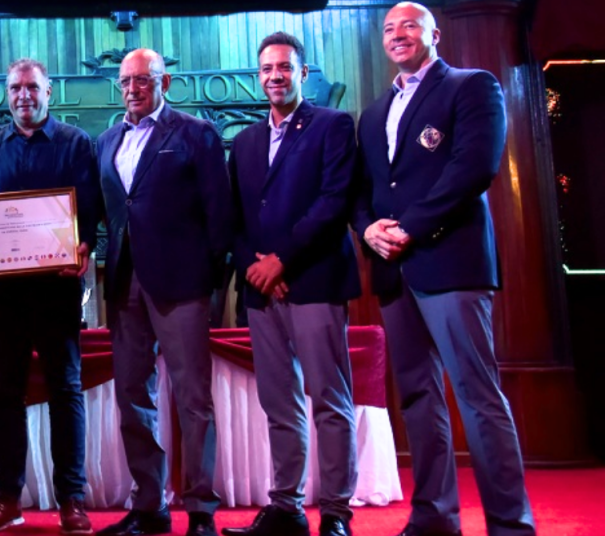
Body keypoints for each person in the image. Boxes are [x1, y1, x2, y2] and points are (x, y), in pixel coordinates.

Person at [353, 3, 536, 536]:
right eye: (389, 29)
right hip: (394, 272)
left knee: (478, 395)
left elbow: (473, 168)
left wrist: (408, 227)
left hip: (450, 262)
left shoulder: (471, 86)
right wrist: (367, 230)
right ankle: (434, 517)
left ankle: (510, 524)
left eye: (409, 25)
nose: (398, 34)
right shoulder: (373, 112)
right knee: (417, 396)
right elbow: (363, 191)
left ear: (434, 33)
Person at [221, 32, 359, 536]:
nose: (274, 76)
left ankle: (338, 514)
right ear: (258, 78)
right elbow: (232, 217)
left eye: (284, 67)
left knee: (329, 401)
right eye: (266, 69)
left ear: (303, 74)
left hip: (315, 281)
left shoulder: (333, 125)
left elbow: (333, 203)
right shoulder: (247, 140)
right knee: (278, 403)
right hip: (262, 292)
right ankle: (286, 507)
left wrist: (281, 261)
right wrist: (256, 265)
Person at [96, 48, 232, 536]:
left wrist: (214, 285)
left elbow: (220, 216)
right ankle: (149, 505)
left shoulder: (196, 134)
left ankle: (200, 510)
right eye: (125, 81)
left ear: (165, 82)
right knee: (133, 395)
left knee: (193, 398)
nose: (133, 89)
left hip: (183, 285)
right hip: (123, 284)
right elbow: (106, 212)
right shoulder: (107, 140)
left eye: (143, 80)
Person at [0, 57, 99, 535]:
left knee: (65, 390)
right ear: (8, 93)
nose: (24, 95)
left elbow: (91, 211)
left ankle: (72, 500)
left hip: (57, 289)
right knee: (7, 393)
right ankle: (7, 499)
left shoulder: (75, 143)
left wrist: (82, 243)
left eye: (32, 88)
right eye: (16, 87)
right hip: (4, 293)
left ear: (48, 92)